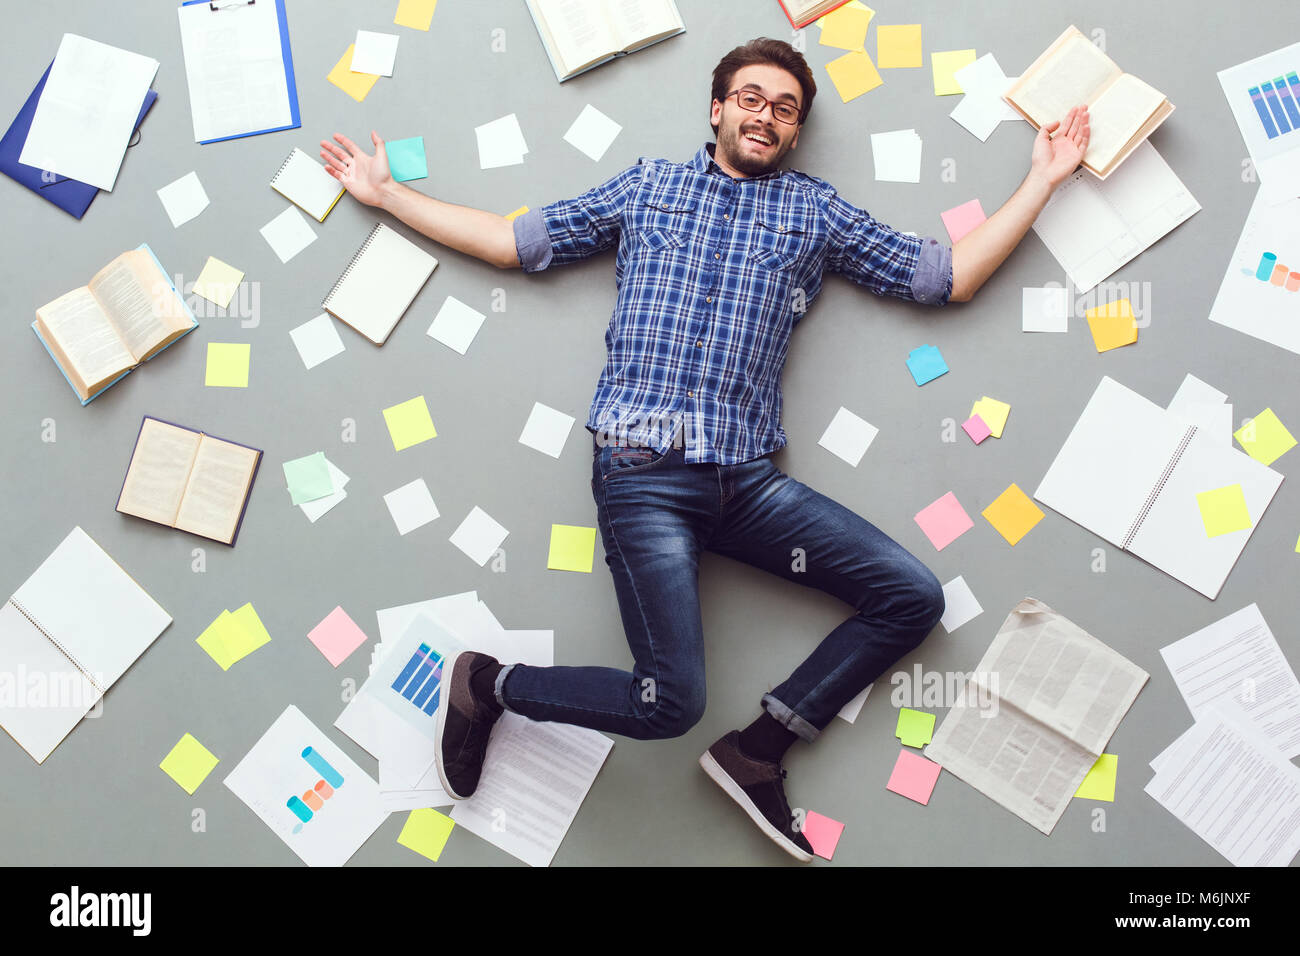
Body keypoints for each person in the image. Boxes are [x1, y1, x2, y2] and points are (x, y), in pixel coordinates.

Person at [321, 37, 1089, 862]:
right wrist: (389, 195)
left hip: (748, 486)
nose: (768, 115)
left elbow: (945, 278)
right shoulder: (649, 186)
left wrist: (1042, 180)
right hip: (641, 474)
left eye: (786, 109)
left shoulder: (814, 211)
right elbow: (516, 243)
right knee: (669, 703)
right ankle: (488, 685)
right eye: (753, 98)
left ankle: (758, 750)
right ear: (718, 108)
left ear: (794, 134)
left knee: (913, 597)